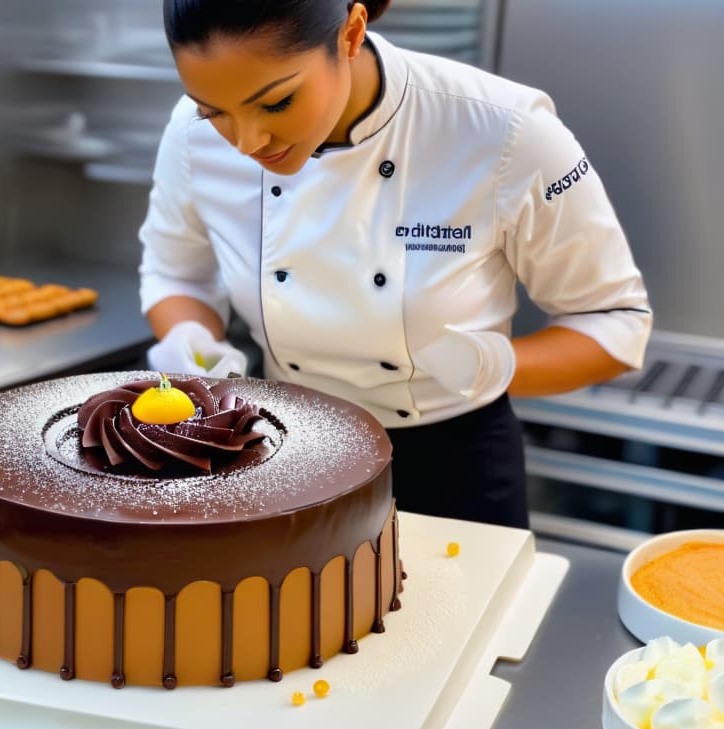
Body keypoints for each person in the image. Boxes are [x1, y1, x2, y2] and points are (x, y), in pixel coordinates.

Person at [139, 0, 651, 529]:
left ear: (351, 32)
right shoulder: (188, 135)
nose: (247, 143)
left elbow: (614, 320)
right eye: (213, 111)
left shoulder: (504, 131)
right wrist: (188, 339)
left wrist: (497, 366)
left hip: (454, 468)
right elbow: (177, 273)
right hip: (284, 452)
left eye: (277, 102)